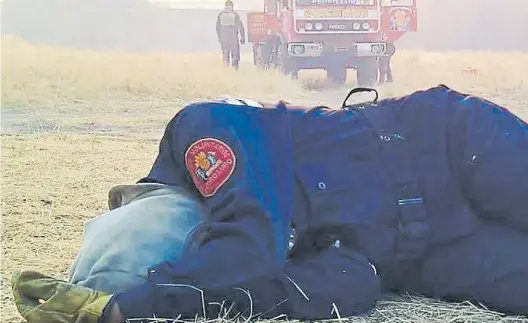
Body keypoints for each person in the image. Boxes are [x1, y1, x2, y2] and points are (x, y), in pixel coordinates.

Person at [12, 85, 528, 323]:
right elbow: (348, 282)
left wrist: (128, 307)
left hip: (445, 146)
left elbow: (251, 239)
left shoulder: (200, 128)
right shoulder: (235, 262)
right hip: (433, 252)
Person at [216, 0, 246, 69]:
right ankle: (235, 68)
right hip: (233, 37)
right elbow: (240, 26)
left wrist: (220, 37)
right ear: (232, 6)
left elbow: (217, 27)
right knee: (235, 53)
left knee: (225, 53)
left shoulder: (221, 15)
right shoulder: (234, 14)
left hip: (224, 37)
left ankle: (226, 67)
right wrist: (242, 37)